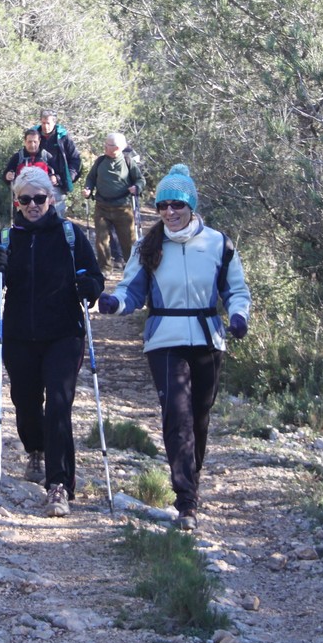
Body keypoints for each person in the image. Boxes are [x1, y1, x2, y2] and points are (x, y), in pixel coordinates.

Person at [96, 164, 251, 531]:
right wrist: (115, 303)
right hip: (164, 341)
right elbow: (132, 290)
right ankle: (186, 501)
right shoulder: (147, 246)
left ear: (191, 206)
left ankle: (191, 481)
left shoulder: (219, 244)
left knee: (199, 416)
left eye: (176, 205)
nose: (169, 212)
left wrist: (238, 315)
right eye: (163, 205)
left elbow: (236, 290)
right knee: (176, 416)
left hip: (208, 339)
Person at [0, 166, 104, 517]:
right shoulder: (7, 238)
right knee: (26, 402)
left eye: (39, 198)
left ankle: (59, 485)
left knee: (59, 405)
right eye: (26, 199)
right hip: (20, 335)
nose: (33, 205)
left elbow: (95, 277)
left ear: (51, 198)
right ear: (16, 202)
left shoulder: (70, 235)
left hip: (64, 334)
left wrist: (90, 288)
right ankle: (35, 448)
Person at [84, 132, 145, 272]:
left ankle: (132, 269)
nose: (104, 146)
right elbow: (91, 178)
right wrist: (88, 189)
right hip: (102, 206)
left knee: (128, 240)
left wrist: (137, 187)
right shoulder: (100, 161)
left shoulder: (128, 162)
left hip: (123, 208)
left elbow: (140, 179)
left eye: (108, 145)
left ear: (117, 148)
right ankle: (104, 269)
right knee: (101, 240)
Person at [35, 109, 81, 217]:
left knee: (56, 217)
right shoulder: (34, 135)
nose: (45, 126)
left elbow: (75, 160)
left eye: (48, 123)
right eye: (43, 123)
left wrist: (63, 178)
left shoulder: (63, 137)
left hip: (57, 185)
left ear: (54, 122)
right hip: (36, 182)